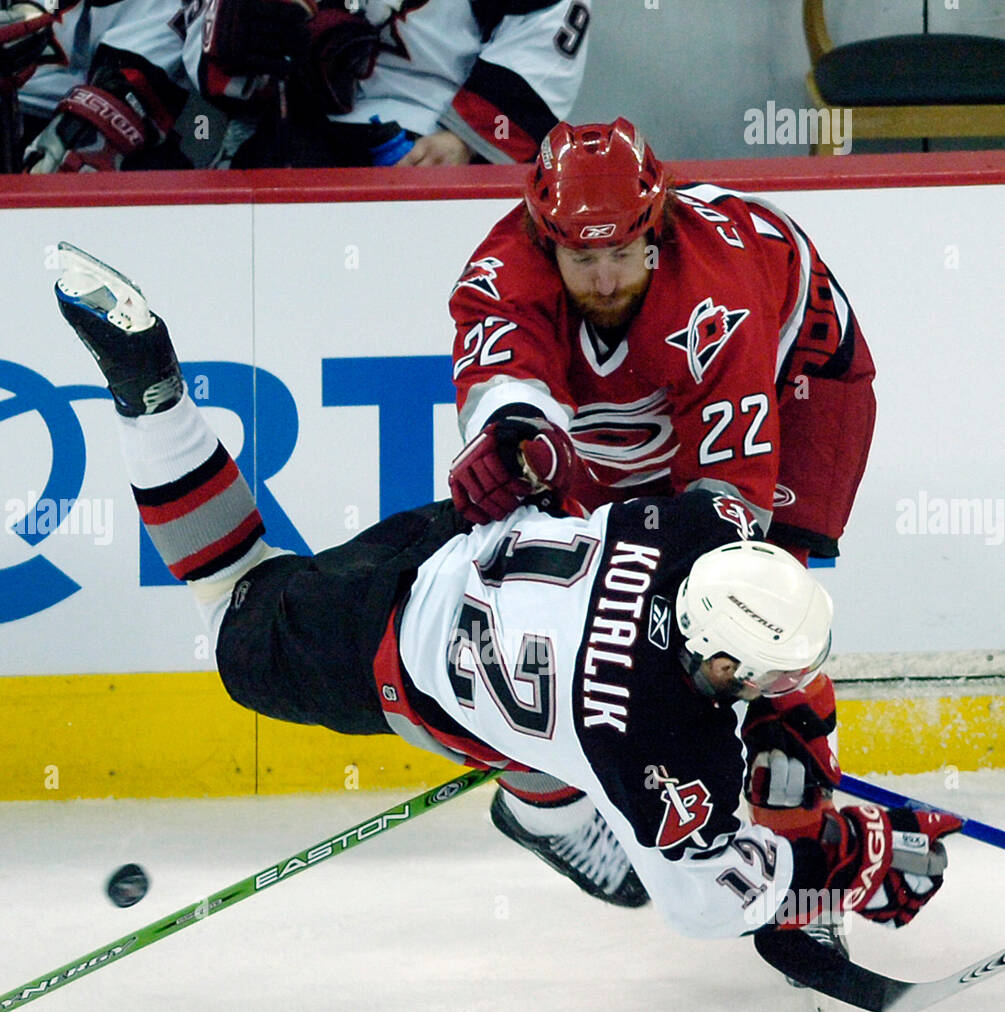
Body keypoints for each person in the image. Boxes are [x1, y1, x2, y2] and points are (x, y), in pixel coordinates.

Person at [50, 242, 959, 945]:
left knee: (533, 732)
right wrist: (857, 859)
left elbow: (731, 625)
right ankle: (149, 386)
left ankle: (537, 796)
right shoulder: (656, 741)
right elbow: (706, 905)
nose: (771, 686)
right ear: (718, 656)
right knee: (232, 604)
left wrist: (797, 779)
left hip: (463, 542)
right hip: (381, 656)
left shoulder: (697, 530)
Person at [447, 117, 877, 947]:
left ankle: (799, 874)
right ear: (545, 240)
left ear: (657, 227)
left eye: (623, 252)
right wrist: (517, 438)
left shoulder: (718, 292)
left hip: (802, 382)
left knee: (758, 618)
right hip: (641, 400)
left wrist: (677, 679)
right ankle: (547, 808)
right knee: (529, 599)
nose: (605, 277)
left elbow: (724, 523)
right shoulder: (498, 273)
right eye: (581, 256)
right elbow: (505, 384)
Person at [179, 0, 590, 169]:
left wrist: (466, 140)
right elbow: (214, 46)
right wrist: (238, 33)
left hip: (435, 131)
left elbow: (550, 21)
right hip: (293, 124)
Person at [2, 0, 191, 173]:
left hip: (61, 112)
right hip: (22, 104)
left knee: (84, 150)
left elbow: (132, 73)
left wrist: (96, 115)